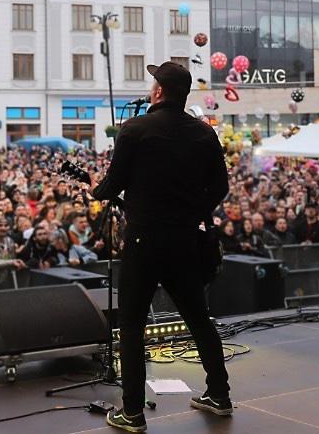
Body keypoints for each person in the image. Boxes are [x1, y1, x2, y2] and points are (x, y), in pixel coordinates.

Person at [91, 60, 231, 431]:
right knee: (199, 319)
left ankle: (132, 412)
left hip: (144, 241)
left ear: (158, 92)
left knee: (133, 325)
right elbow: (221, 188)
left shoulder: (134, 129)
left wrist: (94, 190)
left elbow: (113, 183)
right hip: (185, 239)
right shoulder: (204, 134)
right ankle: (219, 394)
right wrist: (193, 210)